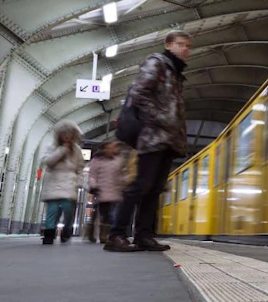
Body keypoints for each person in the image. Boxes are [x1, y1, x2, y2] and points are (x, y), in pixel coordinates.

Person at [105, 30, 190, 252]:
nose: (185, 49)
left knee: (154, 190)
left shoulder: (176, 73)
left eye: (187, 46)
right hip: (152, 136)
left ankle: (143, 235)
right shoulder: (157, 63)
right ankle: (116, 235)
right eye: (180, 44)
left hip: (168, 139)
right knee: (140, 186)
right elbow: (139, 93)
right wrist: (163, 119)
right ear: (168, 45)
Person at [40, 120, 86, 245]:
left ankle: (67, 229)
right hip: (53, 181)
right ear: (59, 134)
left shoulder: (77, 150)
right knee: (52, 210)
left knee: (68, 209)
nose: (67, 136)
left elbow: (80, 167)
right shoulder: (52, 147)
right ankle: (49, 234)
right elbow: (48, 161)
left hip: (70, 183)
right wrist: (62, 150)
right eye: (64, 133)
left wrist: (79, 182)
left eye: (69, 133)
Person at [87, 140, 125, 244]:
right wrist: (93, 185)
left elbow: (121, 175)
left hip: (115, 192)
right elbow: (92, 175)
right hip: (101, 192)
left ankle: (106, 235)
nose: (113, 149)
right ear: (104, 149)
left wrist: (124, 183)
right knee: (104, 214)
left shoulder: (118, 160)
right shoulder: (97, 160)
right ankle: (100, 235)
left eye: (114, 147)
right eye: (110, 147)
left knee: (111, 214)